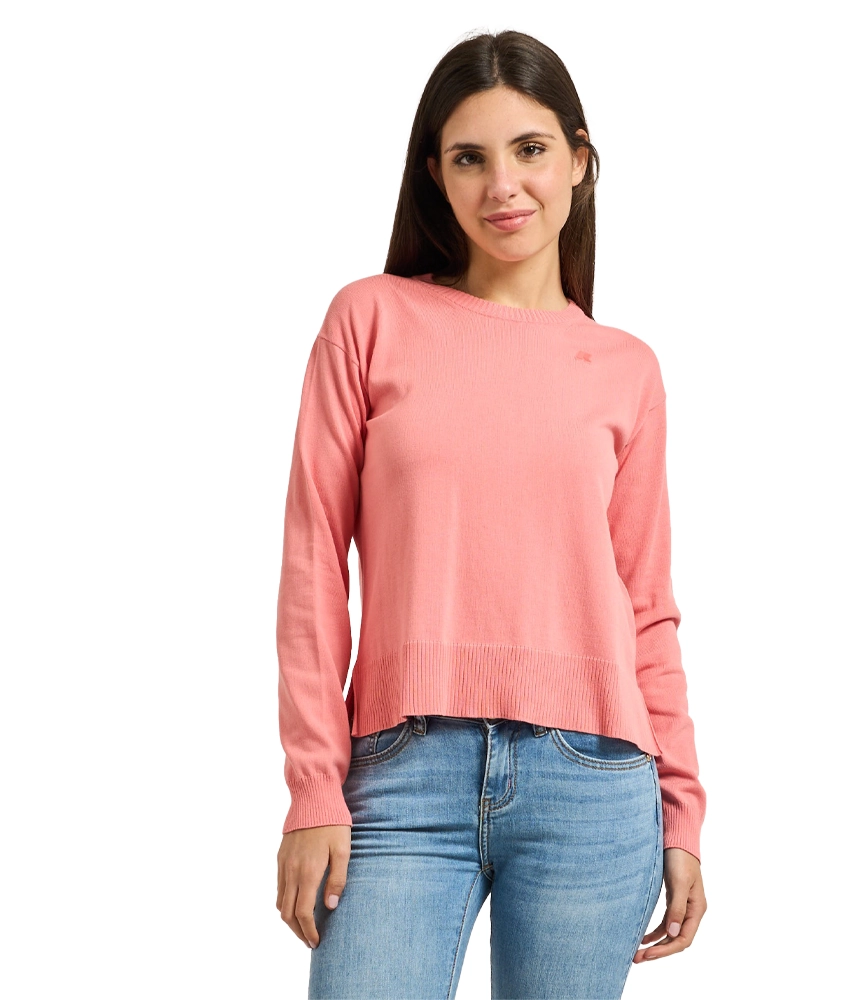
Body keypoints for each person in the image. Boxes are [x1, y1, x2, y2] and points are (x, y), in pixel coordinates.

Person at [274, 28, 708, 1000]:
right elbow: (313, 565)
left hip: (594, 782)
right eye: (469, 157)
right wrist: (312, 787)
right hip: (399, 776)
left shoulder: (627, 369)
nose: (502, 185)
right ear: (435, 175)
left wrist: (682, 811)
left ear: (579, 160)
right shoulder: (370, 319)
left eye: (530, 149)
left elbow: (646, 605)